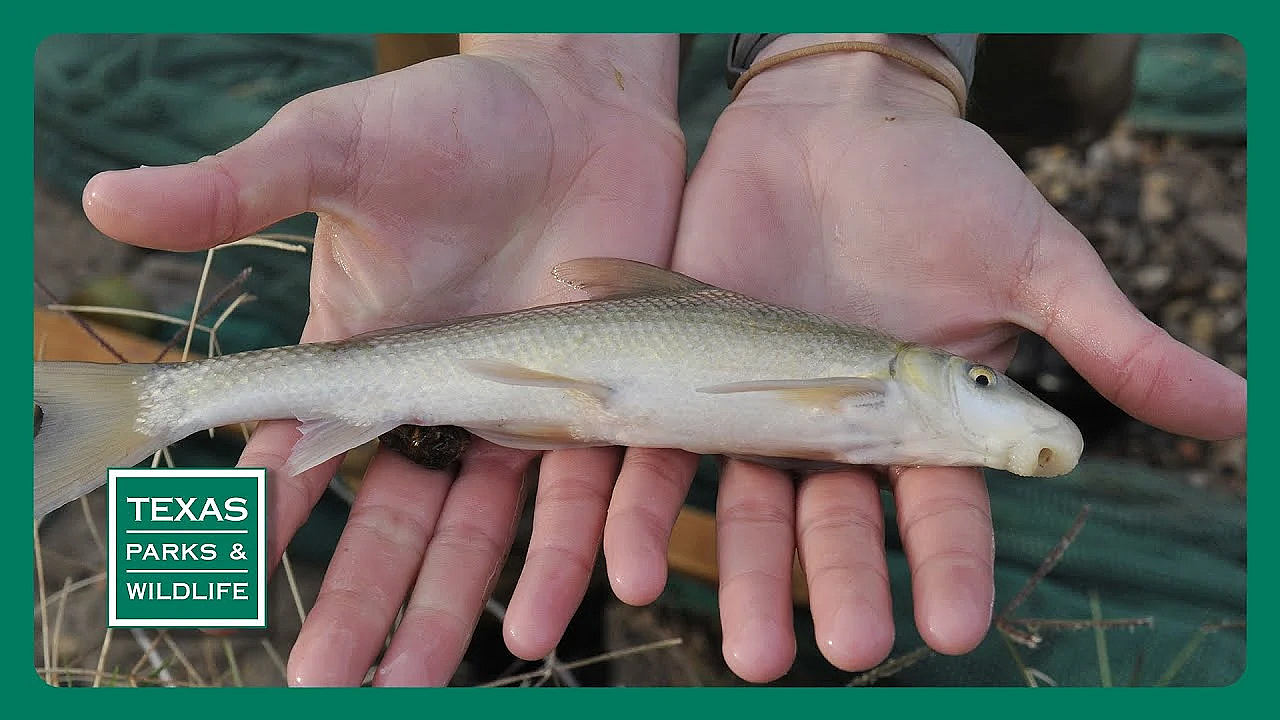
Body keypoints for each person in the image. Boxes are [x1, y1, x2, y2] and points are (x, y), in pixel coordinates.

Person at [80, 33, 1246, 686]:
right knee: (502, 527)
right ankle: (154, 406)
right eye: (978, 380)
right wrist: (559, 53)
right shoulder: (883, 378)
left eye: (987, 381)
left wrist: (871, 53)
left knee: (1061, 77)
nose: (980, 394)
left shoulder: (893, 403)